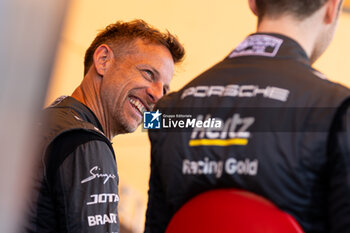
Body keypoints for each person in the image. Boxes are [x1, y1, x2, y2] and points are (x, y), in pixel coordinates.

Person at [144, 0, 350, 232]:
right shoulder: (337, 108)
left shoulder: (166, 109)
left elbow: (156, 227)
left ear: (253, 4)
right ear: (332, 8)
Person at [25, 19, 185, 233]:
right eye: (148, 73)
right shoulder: (86, 141)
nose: (157, 95)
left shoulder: (46, 122)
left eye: (164, 90)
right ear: (103, 60)